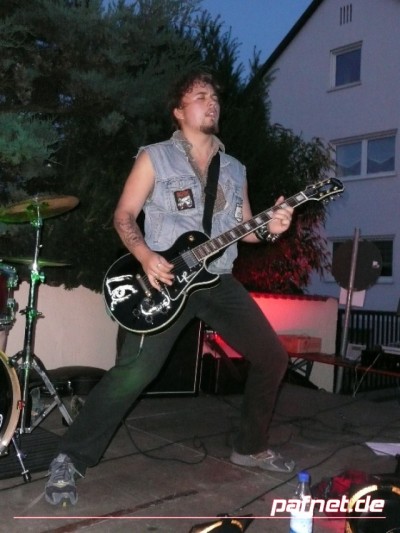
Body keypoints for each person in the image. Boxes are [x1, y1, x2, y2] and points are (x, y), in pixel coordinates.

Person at [45, 70, 295, 506]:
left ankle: (250, 446)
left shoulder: (234, 168)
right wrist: (145, 256)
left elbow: (246, 229)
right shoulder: (155, 158)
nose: (211, 102)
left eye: (214, 96)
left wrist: (272, 228)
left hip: (217, 278)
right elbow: (124, 215)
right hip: (164, 280)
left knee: (273, 356)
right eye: (200, 96)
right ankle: (70, 456)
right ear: (179, 111)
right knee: (133, 373)